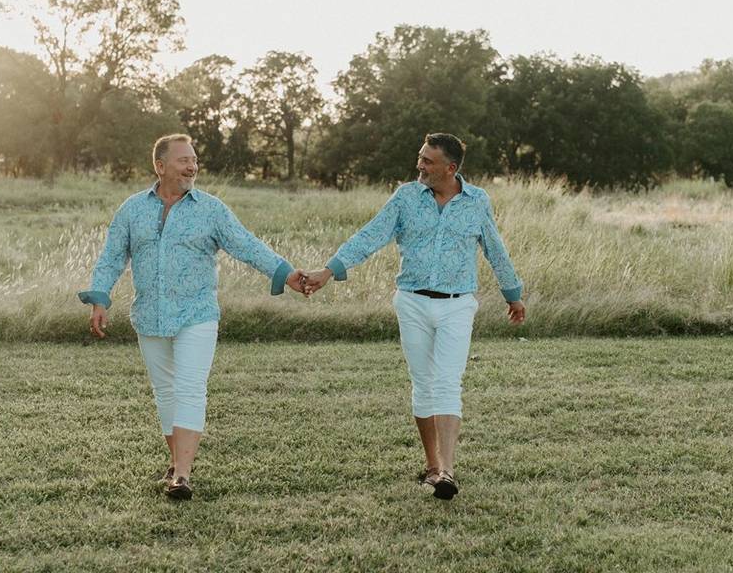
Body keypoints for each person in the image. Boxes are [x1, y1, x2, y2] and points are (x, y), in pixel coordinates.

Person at [78, 133, 307, 501]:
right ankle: (176, 463)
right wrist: (100, 297)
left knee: (189, 387)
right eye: (184, 160)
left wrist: (287, 273)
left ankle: (182, 474)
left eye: (195, 160)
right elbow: (112, 256)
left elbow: (245, 245)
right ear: (160, 166)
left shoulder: (211, 209)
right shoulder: (132, 209)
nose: (192, 166)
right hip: (149, 315)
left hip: (197, 313)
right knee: (165, 391)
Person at [302, 133, 525, 500]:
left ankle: (448, 471)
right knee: (423, 383)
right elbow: (371, 235)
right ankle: (433, 466)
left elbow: (494, 248)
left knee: (448, 383)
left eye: (428, 161)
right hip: (413, 303)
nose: (419, 165)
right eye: (420, 158)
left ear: (450, 168)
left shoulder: (477, 201)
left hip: (457, 304)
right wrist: (329, 271)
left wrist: (512, 294)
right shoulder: (406, 196)